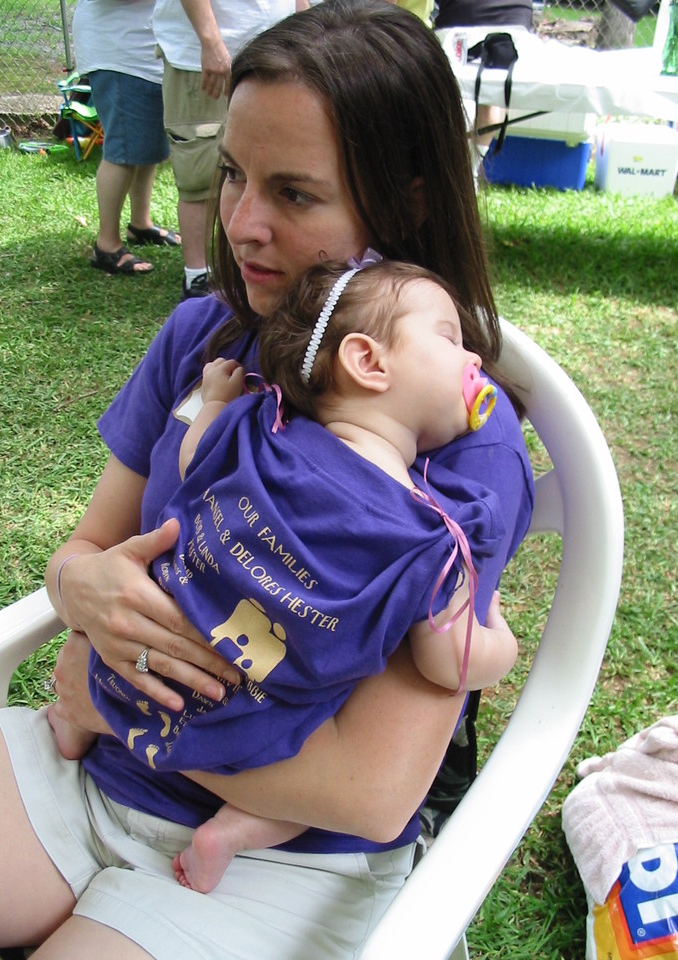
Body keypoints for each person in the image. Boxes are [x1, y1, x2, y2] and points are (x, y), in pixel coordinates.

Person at [0, 3, 534, 956]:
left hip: (283, 858)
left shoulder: (458, 449)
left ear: (410, 199)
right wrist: (79, 586)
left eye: (295, 194)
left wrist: (111, 701)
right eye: (232, 173)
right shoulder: (206, 340)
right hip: (91, 774)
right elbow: (88, 549)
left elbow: (372, 788)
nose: (242, 223)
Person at [49, 257, 518, 893]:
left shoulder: (258, 428)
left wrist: (215, 398)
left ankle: (75, 720)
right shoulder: (433, 533)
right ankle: (236, 829)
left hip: (143, 667)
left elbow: (194, 458)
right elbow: (450, 660)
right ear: (368, 361)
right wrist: (502, 644)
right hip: (258, 723)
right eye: (448, 339)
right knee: (283, 764)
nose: (474, 362)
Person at [152, 0, 302, 299]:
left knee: (273, 169)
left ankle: (246, 268)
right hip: (205, 59)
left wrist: (307, 29)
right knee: (201, 172)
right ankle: (197, 276)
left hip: (279, 56)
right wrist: (210, 41)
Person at [71, 0, 182, 277]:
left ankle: (140, 224)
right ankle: (107, 245)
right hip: (120, 53)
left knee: (146, 145)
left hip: (142, 51)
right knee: (123, 150)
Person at [433, 0, 534, 163]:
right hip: (515, 21)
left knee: (442, 93)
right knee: (493, 96)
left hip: (460, 20)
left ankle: (462, 170)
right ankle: (470, 169)